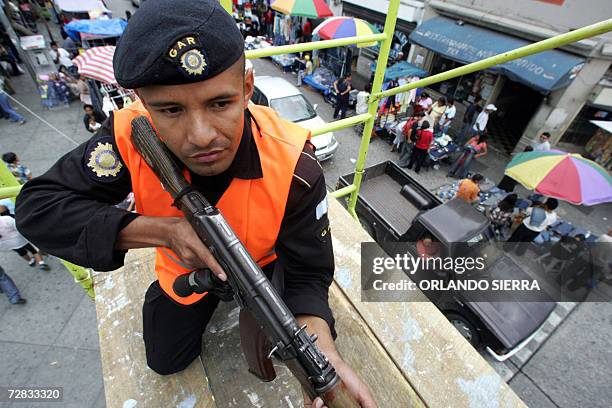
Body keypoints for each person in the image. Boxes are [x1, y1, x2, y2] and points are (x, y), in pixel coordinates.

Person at [15, 2, 375, 407]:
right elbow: (38, 207)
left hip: (264, 267)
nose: (201, 136)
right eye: (171, 110)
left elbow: (309, 272)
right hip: (184, 275)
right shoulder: (128, 135)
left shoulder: (294, 164)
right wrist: (163, 232)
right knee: (165, 362)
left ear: (246, 87)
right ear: (142, 103)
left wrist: (323, 355)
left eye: (219, 103)